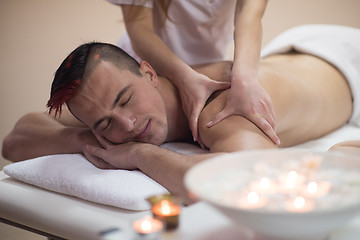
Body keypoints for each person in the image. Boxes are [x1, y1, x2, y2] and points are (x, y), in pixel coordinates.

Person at [2, 25, 360, 203]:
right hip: (291, 56)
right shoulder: (107, 112)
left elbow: (249, 177)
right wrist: (93, 141)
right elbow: (16, 140)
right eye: (104, 122)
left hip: (347, 59)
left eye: (126, 100)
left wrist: (141, 154)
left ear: (150, 72)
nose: (126, 124)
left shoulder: (220, 108)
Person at [107, 0, 280, 147]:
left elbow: (250, 15)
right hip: (150, 69)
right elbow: (139, 28)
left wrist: (244, 80)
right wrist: (184, 78)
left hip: (207, 68)